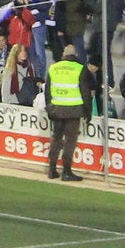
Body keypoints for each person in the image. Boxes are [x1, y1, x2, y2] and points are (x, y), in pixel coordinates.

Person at [44, 44, 94, 181]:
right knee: (70, 141)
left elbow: (47, 90)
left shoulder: (53, 68)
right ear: (75, 55)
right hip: (73, 110)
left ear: (63, 54)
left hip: (56, 109)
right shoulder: (79, 69)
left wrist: (49, 107)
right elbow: (85, 93)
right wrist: (88, 112)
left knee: (56, 138)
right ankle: (66, 171)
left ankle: (52, 169)